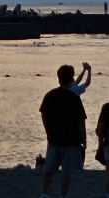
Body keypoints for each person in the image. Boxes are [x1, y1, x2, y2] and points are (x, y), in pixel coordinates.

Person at [39, 65, 88, 198]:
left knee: (49, 169)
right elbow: (80, 121)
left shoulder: (50, 95)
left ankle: (44, 193)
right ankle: (63, 195)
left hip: (53, 138)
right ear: (71, 78)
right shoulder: (74, 98)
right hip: (70, 140)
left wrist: (48, 130)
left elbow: (43, 114)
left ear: (59, 78)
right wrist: (84, 139)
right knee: (66, 171)